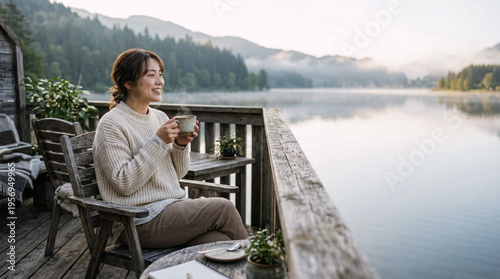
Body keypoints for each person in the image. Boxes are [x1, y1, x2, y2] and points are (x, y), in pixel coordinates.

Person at [93, 48, 248, 248]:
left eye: (160, 74)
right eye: (151, 75)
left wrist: (180, 146)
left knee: (222, 243)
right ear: (128, 83)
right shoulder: (111, 124)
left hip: (172, 210)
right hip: (137, 221)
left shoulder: (160, 118)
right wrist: (158, 142)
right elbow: (124, 183)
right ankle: (257, 266)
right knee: (223, 208)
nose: (160, 81)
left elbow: (177, 174)